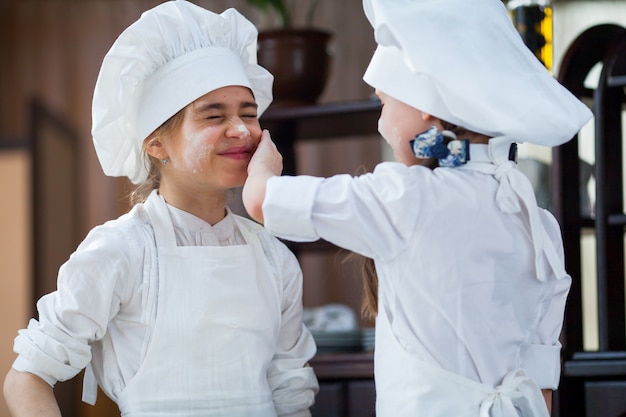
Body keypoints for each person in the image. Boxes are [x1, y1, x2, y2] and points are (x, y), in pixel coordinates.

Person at [242, 0, 593, 415]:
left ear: (425, 105)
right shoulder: (536, 221)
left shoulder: (407, 196)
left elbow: (264, 202)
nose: (380, 122)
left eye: (384, 104)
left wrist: (263, 162)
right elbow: (542, 376)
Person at [3, 1, 318, 416]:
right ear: (156, 144)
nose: (241, 130)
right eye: (212, 115)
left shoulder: (274, 258)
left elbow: (290, 393)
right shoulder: (119, 251)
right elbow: (26, 377)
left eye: (248, 113)